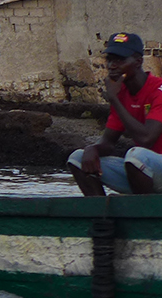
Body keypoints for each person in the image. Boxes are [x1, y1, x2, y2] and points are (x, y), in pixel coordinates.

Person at [68, 33, 162, 196]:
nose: (112, 66)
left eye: (120, 60)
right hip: (144, 173)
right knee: (78, 158)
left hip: (152, 165)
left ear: (138, 61)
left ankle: (143, 216)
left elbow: (146, 139)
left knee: (136, 155)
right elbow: (109, 143)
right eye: (110, 60)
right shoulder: (121, 94)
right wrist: (93, 149)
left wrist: (113, 99)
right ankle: (102, 218)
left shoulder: (158, 91)